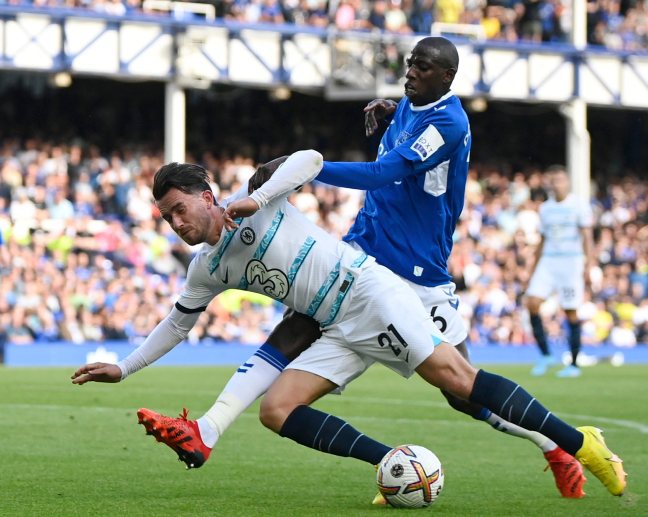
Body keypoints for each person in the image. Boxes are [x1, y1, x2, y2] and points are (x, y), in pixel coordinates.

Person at [128, 36, 584, 499]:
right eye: (410, 64)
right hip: (368, 258)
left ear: (446, 77)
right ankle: (212, 431)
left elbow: (383, 173)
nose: (410, 73)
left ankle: (562, 444)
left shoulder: (446, 122)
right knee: (288, 358)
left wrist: (302, 172)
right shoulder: (409, 105)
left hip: (418, 273)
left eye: (422, 68)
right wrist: (391, 113)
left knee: (460, 389)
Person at [71, 151, 627, 500]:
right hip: (336, 327)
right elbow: (176, 324)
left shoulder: (260, 203)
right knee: (276, 410)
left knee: (459, 382)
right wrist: (124, 367)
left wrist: (260, 194)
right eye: (166, 217)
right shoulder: (208, 267)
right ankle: (396, 463)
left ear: (207, 196)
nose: (175, 223)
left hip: (370, 293)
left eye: (178, 209)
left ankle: (582, 444)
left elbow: (310, 159)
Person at [525, 165, 594, 378]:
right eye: (553, 180)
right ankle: (546, 354)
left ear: (568, 182)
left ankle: (573, 363)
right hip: (548, 261)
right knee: (532, 303)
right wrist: (532, 268)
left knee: (570, 311)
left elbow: (587, 236)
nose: (557, 184)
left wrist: (588, 265)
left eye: (560, 180)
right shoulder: (545, 208)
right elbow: (543, 240)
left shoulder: (579, 205)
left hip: (571, 262)